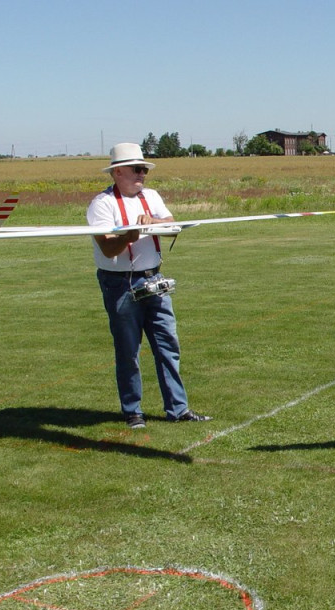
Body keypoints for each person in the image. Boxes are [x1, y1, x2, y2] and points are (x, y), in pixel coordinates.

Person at [87, 143, 211, 429]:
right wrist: (130, 235)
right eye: (136, 169)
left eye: (144, 169)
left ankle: (178, 409)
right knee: (128, 349)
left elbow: (170, 223)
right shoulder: (102, 204)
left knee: (168, 343)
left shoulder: (151, 196)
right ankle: (133, 412)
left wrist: (151, 222)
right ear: (118, 172)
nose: (142, 174)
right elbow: (108, 249)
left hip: (154, 278)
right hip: (120, 283)